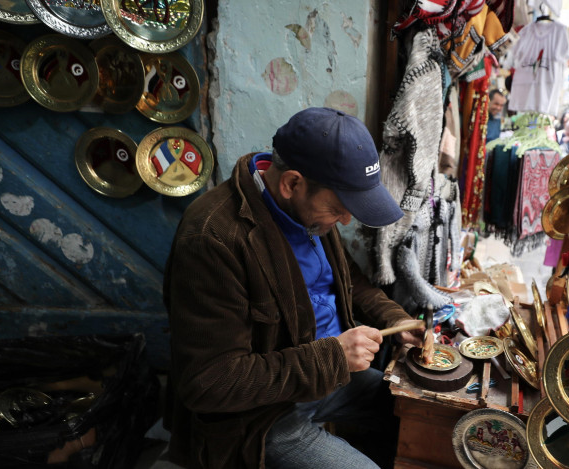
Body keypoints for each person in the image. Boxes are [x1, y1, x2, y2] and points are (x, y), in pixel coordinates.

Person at [162, 107, 425, 469]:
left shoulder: (311, 213)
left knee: (423, 413)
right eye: (338, 207)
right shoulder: (213, 239)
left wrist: (399, 321)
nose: (345, 220)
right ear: (291, 183)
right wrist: (333, 357)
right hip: (261, 414)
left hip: (327, 378)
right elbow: (208, 382)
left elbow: (350, 283)